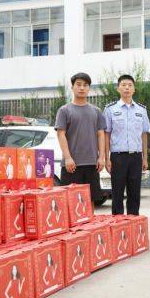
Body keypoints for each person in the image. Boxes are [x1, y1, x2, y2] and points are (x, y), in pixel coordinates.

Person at [55, 72, 107, 207]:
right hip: (71, 165)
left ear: (89, 88)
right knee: (70, 202)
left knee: (91, 200)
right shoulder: (64, 110)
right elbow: (61, 135)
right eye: (78, 84)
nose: (82, 88)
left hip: (92, 163)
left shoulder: (96, 111)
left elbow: (101, 135)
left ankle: (89, 222)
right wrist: (68, 158)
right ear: (72, 87)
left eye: (85, 85)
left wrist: (101, 157)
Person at [104, 74, 150, 215]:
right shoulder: (110, 109)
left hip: (136, 157)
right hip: (118, 157)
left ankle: (133, 222)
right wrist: (106, 158)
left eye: (130, 85)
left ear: (134, 89)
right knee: (117, 193)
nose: (127, 88)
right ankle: (118, 224)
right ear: (118, 88)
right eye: (123, 85)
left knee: (134, 193)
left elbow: (144, 134)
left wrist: (145, 158)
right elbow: (106, 134)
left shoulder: (141, 110)